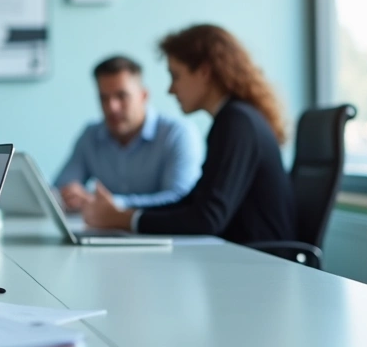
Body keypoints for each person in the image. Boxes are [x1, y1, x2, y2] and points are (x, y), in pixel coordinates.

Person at [83, 25, 297, 244]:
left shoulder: (236, 122)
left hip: (261, 263)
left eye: (175, 76)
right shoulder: (233, 119)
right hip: (242, 256)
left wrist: (125, 220)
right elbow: (192, 203)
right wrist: (123, 212)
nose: (171, 89)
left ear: (204, 72)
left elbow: (207, 219)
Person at [54, 56, 202, 211]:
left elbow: (180, 198)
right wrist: (70, 196)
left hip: (159, 233)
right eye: (104, 98)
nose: (112, 107)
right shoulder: (91, 135)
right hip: (105, 231)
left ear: (143, 96)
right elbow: (61, 190)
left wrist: (111, 203)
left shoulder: (177, 133)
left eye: (121, 96)